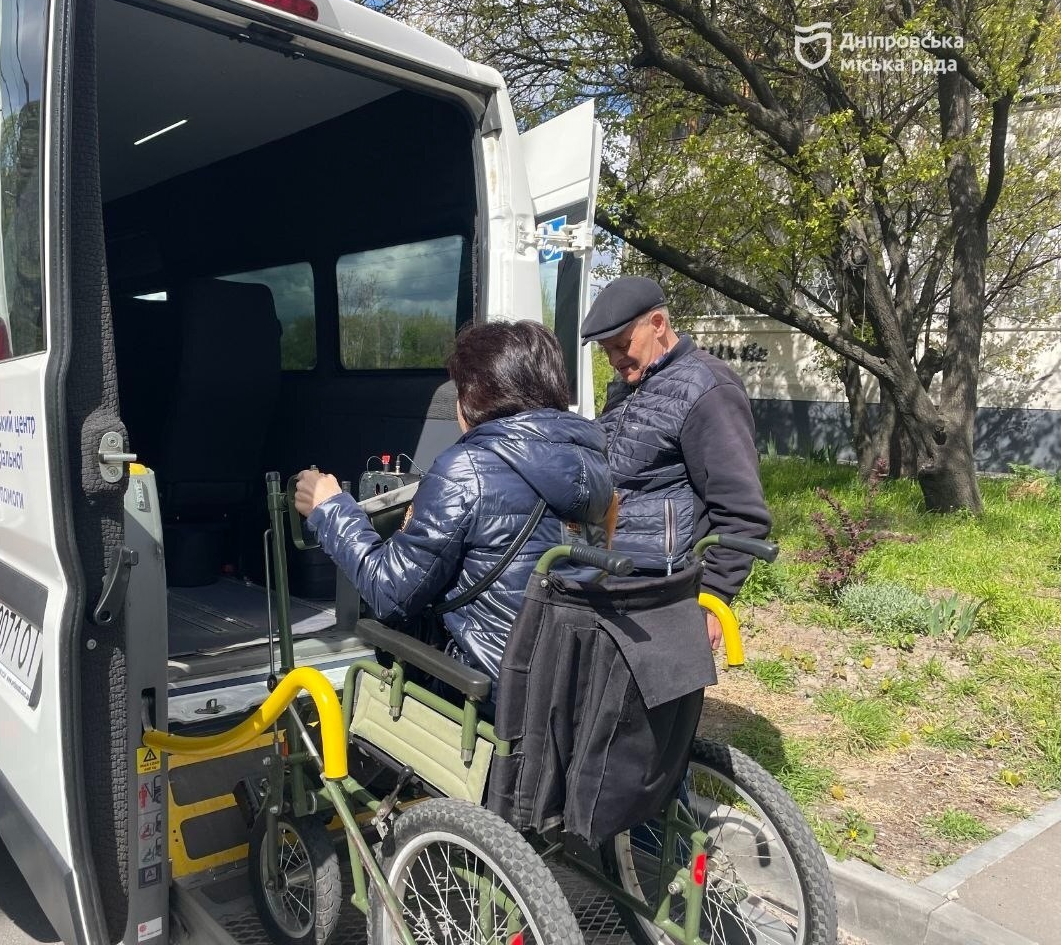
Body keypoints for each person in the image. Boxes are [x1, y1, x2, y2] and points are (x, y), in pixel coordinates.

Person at [294, 320, 613, 688]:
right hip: (574, 688)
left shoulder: (466, 470)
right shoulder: (596, 464)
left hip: (487, 694)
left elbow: (389, 593)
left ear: (473, 397)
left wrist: (330, 507)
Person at [581, 276, 772, 649]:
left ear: (657, 324)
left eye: (622, 345)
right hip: (614, 577)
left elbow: (742, 511)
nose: (615, 359)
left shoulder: (709, 389)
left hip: (665, 591)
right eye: (606, 350)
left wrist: (715, 597)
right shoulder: (628, 388)